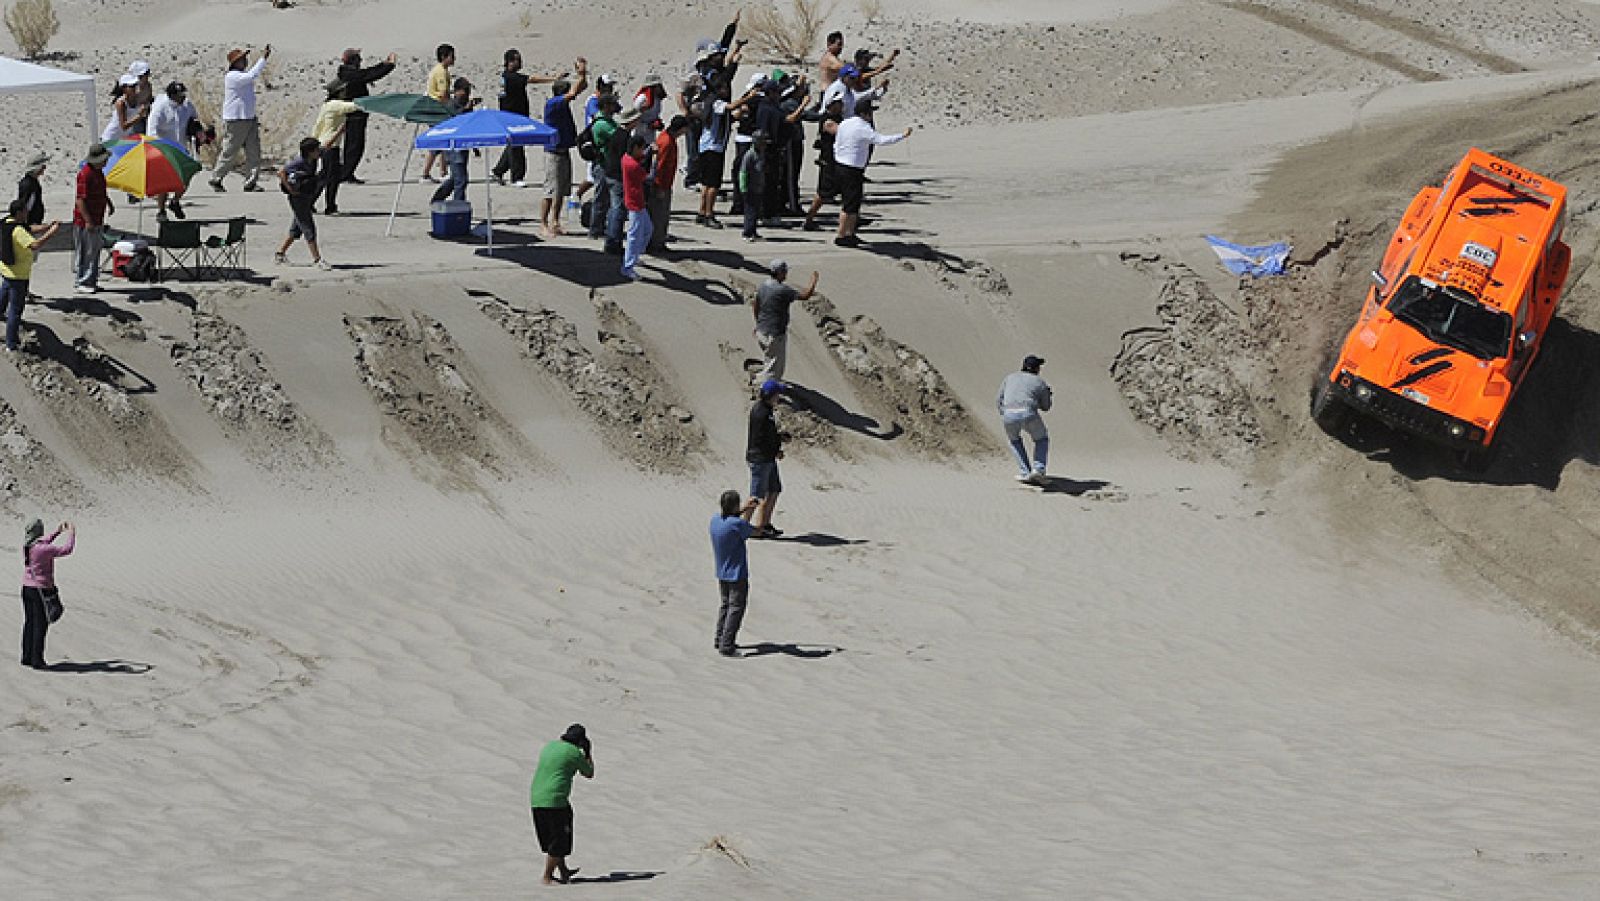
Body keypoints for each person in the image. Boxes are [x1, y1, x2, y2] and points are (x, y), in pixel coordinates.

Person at [827, 99, 910, 246]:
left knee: (854, 203)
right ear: (864, 113)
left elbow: (837, 142)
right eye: (870, 112)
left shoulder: (846, 122)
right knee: (849, 204)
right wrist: (902, 136)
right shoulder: (863, 127)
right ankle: (841, 235)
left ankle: (850, 233)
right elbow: (881, 140)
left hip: (841, 165)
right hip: (851, 169)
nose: (871, 115)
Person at [529, 723, 595, 886]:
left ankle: (564, 870)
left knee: (553, 837)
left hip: (537, 797)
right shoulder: (573, 753)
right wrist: (588, 752)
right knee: (559, 839)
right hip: (555, 800)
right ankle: (547, 876)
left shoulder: (550, 746)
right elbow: (589, 773)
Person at [492, 49, 562, 187]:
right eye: (517, 59)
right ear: (510, 61)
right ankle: (517, 177)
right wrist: (554, 78)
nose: (520, 62)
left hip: (513, 115)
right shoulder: (510, 77)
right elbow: (531, 79)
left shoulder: (506, 77)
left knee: (513, 144)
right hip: (513, 117)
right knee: (517, 146)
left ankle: (498, 171)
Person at [210, 45, 272, 192]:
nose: (245, 61)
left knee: (253, 151)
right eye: (242, 59)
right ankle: (216, 177)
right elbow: (252, 75)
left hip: (248, 117)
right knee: (230, 150)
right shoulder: (233, 76)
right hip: (236, 119)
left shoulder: (241, 76)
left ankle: (250, 181)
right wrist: (263, 59)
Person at [694, 79, 756, 229]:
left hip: (709, 147)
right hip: (713, 148)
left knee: (706, 184)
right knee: (713, 184)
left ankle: (702, 212)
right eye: (724, 88)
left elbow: (729, 116)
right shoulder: (716, 102)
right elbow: (730, 107)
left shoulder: (712, 103)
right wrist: (748, 97)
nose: (727, 91)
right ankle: (709, 214)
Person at [2, 200, 61, 351]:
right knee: (15, 310)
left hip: (6, 271)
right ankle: (11, 343)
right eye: (25, 211)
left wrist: (47, 226)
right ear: (19, 213)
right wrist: (51, 233)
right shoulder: (18, 232)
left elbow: (30, 228)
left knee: (2, 300)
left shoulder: (5, 223)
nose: (28, 213)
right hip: (18, 275)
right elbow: (35, 245)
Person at [710, 489, 761, 657]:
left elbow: (732, 520)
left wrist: (744, 509)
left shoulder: (715, 520)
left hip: (721, 572)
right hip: (737, 574)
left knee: (725, 606)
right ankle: (727, 645)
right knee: (736, 609)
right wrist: (757, 511)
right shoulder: (737, 524)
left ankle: (720, 639)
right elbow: (756, 531)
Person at [334, 48, 397, 184]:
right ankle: (345, 174)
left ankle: (347, 173)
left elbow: (367, 73)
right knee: (354, 146)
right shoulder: (348, 74)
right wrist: (388, 65)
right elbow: (369, 74)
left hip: (356, 115)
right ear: (353, 60)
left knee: (354, 146)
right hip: (352, 116)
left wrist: (384, 64)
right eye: (358, 58)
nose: (360, 61)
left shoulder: (350, 73)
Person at [539, 59, 588, 236]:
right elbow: (574, 92)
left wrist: (583, 75)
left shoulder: (560, 103)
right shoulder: (553, 104)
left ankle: (555, 221)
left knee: (561, 190)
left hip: (563, 151)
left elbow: (580, 88)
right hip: (552, 152)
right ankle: (543, 223)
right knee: (550, 189)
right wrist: (581, 73)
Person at [19, 518, 74, 670]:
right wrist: (71, 533)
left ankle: (27, 656)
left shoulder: (28, 546)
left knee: (29, 622)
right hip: (40, 590)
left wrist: (57, 531)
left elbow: (44, 540)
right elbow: (67, 549)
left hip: (27, 588)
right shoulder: (43, 549)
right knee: (40, 625)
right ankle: (37, 659)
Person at [751, 260, 817, 384]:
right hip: (775, 335)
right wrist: (813, 281)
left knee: (769, 359)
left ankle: (764, 380)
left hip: (761, 331)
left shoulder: (763, 286)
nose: (786, 273)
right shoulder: (783, 290)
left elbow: (755, 306)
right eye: (785, 271)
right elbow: (805, 296)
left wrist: (758, 323)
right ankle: (763, 387)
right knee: (775, 369)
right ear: (780, 273)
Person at [148, 81, 202, 221]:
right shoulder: (160, 108)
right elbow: (151, 131)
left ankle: (175, 201)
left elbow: (194, 119)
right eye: (180, 95)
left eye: (183, 94)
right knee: (164, 183)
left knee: (185, 178)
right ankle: (161, 210)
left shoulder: (187, 105)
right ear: (172, 96)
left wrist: (198, 131)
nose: (183, 97)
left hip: (182, 148)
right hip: (165, 150)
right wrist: (161, 149)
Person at [275, 138, 330, 270]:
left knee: (296, 228)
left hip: (307, 197)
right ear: (309, 151)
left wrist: (341, 130)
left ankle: (280, 253)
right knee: (308, 228)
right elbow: (281, 172)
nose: (319, 151)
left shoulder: (315, 157)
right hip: (297, 199)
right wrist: (290, 189)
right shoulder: (299, 162)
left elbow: (327, 146)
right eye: (316, 149)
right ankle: (317, 260)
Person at [997, 355, 1053, 485]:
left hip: (1008, 414)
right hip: (1028, 413)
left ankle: (1025, 472)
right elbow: (1046, 407)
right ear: (1036, 369)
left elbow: (998, 399)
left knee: (1014, 441)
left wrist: (1005, 413)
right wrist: (1047, 395)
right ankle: (1038, 470)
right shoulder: (1039, 382)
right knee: (1041, 439)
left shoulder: (1009, 378)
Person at [312, 82, 361, 215]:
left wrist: (315, 142)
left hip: (324, 144)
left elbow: (318, 125)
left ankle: (310, 202)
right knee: (332, 178)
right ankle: (330, 206)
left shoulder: (326, 106)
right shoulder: (335, 105)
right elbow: (354, 106)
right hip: (331, 145)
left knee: (324, 175)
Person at [746, 379, 786, 538]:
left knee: (774, 489)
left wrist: (779, 439)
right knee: (756, 496)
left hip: (767, 458)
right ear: (771, 396)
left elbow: (768, 436)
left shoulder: (766, 410)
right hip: (760, 459)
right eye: (778, 394)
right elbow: (761, 440)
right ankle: (743, 526)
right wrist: (776, 450)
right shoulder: (761, 413)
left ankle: (763, 525)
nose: (779, 398)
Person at [73, 143, 113, 295]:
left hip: (97, 218)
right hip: (86, 221)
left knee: (94, 251)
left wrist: (108, 202)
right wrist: (88, 220)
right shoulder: (85, 174)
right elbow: (80, 200)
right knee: (86, 251)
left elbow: (101, 191)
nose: (106, 162)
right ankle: (82, 281)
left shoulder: (98, 173)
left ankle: (91, 280)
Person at [801, 94, 844, 232]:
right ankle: (809, 219)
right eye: (838, 102)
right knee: (822, 194)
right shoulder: (827, 119)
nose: (841, 104)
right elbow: (838, 132)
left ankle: (850, 219)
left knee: (846, 190)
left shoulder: (840, 117)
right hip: (829, 162)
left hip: (839, 160)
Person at [431, 78, 476, 205]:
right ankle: (458, 206)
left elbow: (468, 127)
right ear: (456, 91)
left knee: (455, 179)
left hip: (463, 147)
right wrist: (465, 110)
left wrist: (475, 146)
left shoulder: (465, 105)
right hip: (453, 149)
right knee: (461, 180)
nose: (467, 93)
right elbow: (453, 122)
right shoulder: (451, 105)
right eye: (465, 90)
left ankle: (437, 198)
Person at [601, 106, 639, 254]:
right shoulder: (624, 137)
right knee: (618, 209)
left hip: (610, 173)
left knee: (614, 208)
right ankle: (613, 243)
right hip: (617, 176)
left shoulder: (617, 133)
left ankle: (612, 240)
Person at [647, 115, 687, 252]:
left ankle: (657, 241)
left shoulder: (665, 137)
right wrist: (659, 187)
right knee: (659, 216)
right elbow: (660, 165)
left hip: (664, 183)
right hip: (661, 184)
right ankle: (656, 244)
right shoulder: (667, 142)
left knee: (659, 215)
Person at [620, 135, 653, 281]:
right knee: (633, 236)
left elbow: (640, 159)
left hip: (638, 201)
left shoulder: (626, 158)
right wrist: (654, 159)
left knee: (647, 230)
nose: (642, 152)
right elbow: (647, 176)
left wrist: (648, 152)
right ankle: (627, 267)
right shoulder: (632, 165)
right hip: (635, 203)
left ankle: (635, 256)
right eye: (641, 149)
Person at [420, 43, 455, 183]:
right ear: (444, 57)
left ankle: (443, 171)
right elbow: (442, 94)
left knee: (444, 141)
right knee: (438, 142)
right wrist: (453, 106)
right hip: (436, 110)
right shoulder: (440, 71)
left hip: (437, 109)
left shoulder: (442, 70)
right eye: (452, 56)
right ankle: (426, 173)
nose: (454, 59)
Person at [738, 130, 768, 242]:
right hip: (750, 189)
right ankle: (747, 232)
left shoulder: (761, 154)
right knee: (750, 212)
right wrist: (743, 188)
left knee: (756, 211)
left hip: (759, 187)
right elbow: (743, 172)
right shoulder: (749, 155)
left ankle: (753, 231)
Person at [101, 75, 145, 145]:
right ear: (124, 89)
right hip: (112, 139)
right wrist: (139, 116)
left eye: (135, 85)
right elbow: (124, 126)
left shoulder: (137, 99)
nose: (134, 88)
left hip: (124, 139)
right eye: (131, 86)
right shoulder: (121, 103)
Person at [15, 153, 47, 226]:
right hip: (30, 223)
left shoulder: (33, 181)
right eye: (43, 167)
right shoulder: (29, 184)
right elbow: (25, 205)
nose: (44, 170)